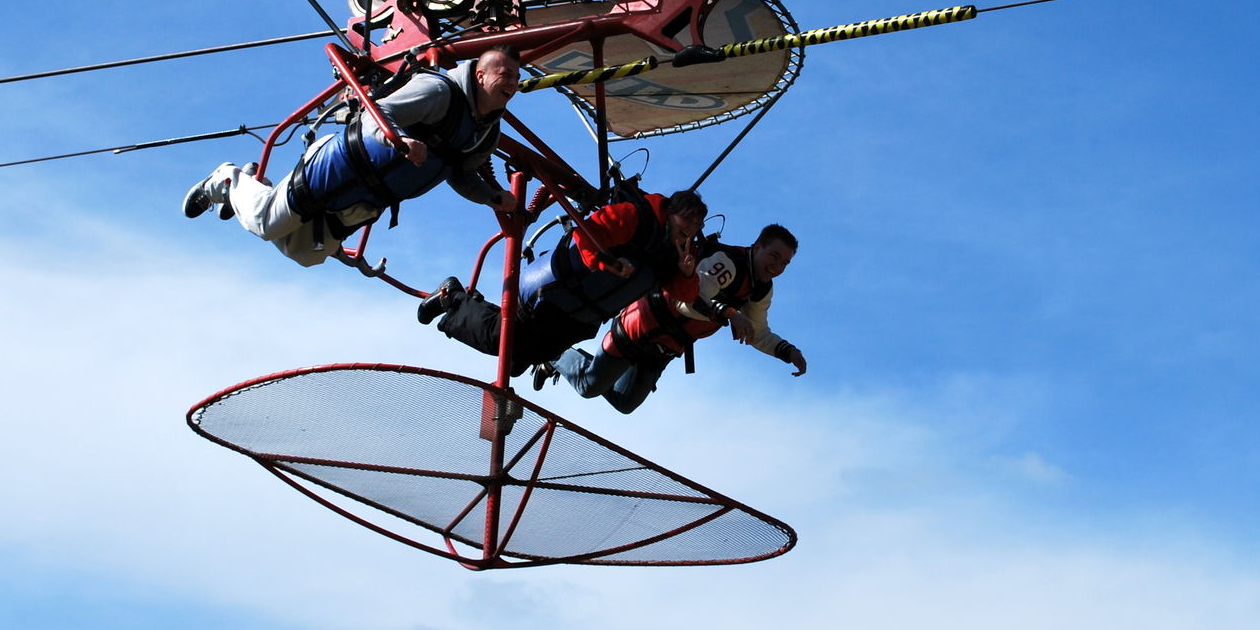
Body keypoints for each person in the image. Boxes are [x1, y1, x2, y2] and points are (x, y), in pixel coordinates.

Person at [182, 46, 521, 266]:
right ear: (480, 75)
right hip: (339, 168)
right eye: (505, 75)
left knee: (306, 253)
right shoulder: (439, 91)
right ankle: (227, 179)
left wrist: (491, 197)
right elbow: (378, 113)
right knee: (266, 222)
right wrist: (400, 140)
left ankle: (251, 190)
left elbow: (460, 174)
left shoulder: (486, 133)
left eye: (517, 78)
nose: (513, 83)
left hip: (368, 197)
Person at [417, 188, 708, 374]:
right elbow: (587, 233)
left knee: (521, 360)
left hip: (577, 319)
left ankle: (471, 307)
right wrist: (609, 263)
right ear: (671, 212)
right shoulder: (636, 216)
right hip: (553, 292)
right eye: (687, 221)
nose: (691, 230)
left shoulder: (673, 256)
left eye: (697, 226)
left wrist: (686, 273)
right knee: (502, 341)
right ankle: (451, 296)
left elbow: (684, 296)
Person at [545, 223, 805, 413]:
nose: (777, 266)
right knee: (590, 386)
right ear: (757, 247)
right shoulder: (728, 263)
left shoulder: (760, 289)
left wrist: (787, 351)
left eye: (785, 263)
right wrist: (729, 312)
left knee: (625, 403)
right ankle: (551, 353)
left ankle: (586, 365)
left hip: (664, 348)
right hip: (639, 327)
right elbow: (688, 299)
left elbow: (757, 331)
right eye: (774, 256)